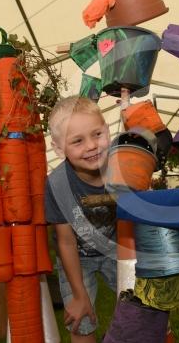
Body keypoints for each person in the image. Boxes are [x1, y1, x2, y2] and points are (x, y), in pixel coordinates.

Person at [45, 96, 117, 343]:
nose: (91, 146)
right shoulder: (57, 185)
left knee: (144, 305)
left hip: (116, 250)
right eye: (77, 141)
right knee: (80, 320)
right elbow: (65, 242)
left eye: (97, 134)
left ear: (107, 130)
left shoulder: (121, 168)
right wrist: (79, 295)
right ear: (58, 148)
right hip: (78, 258)